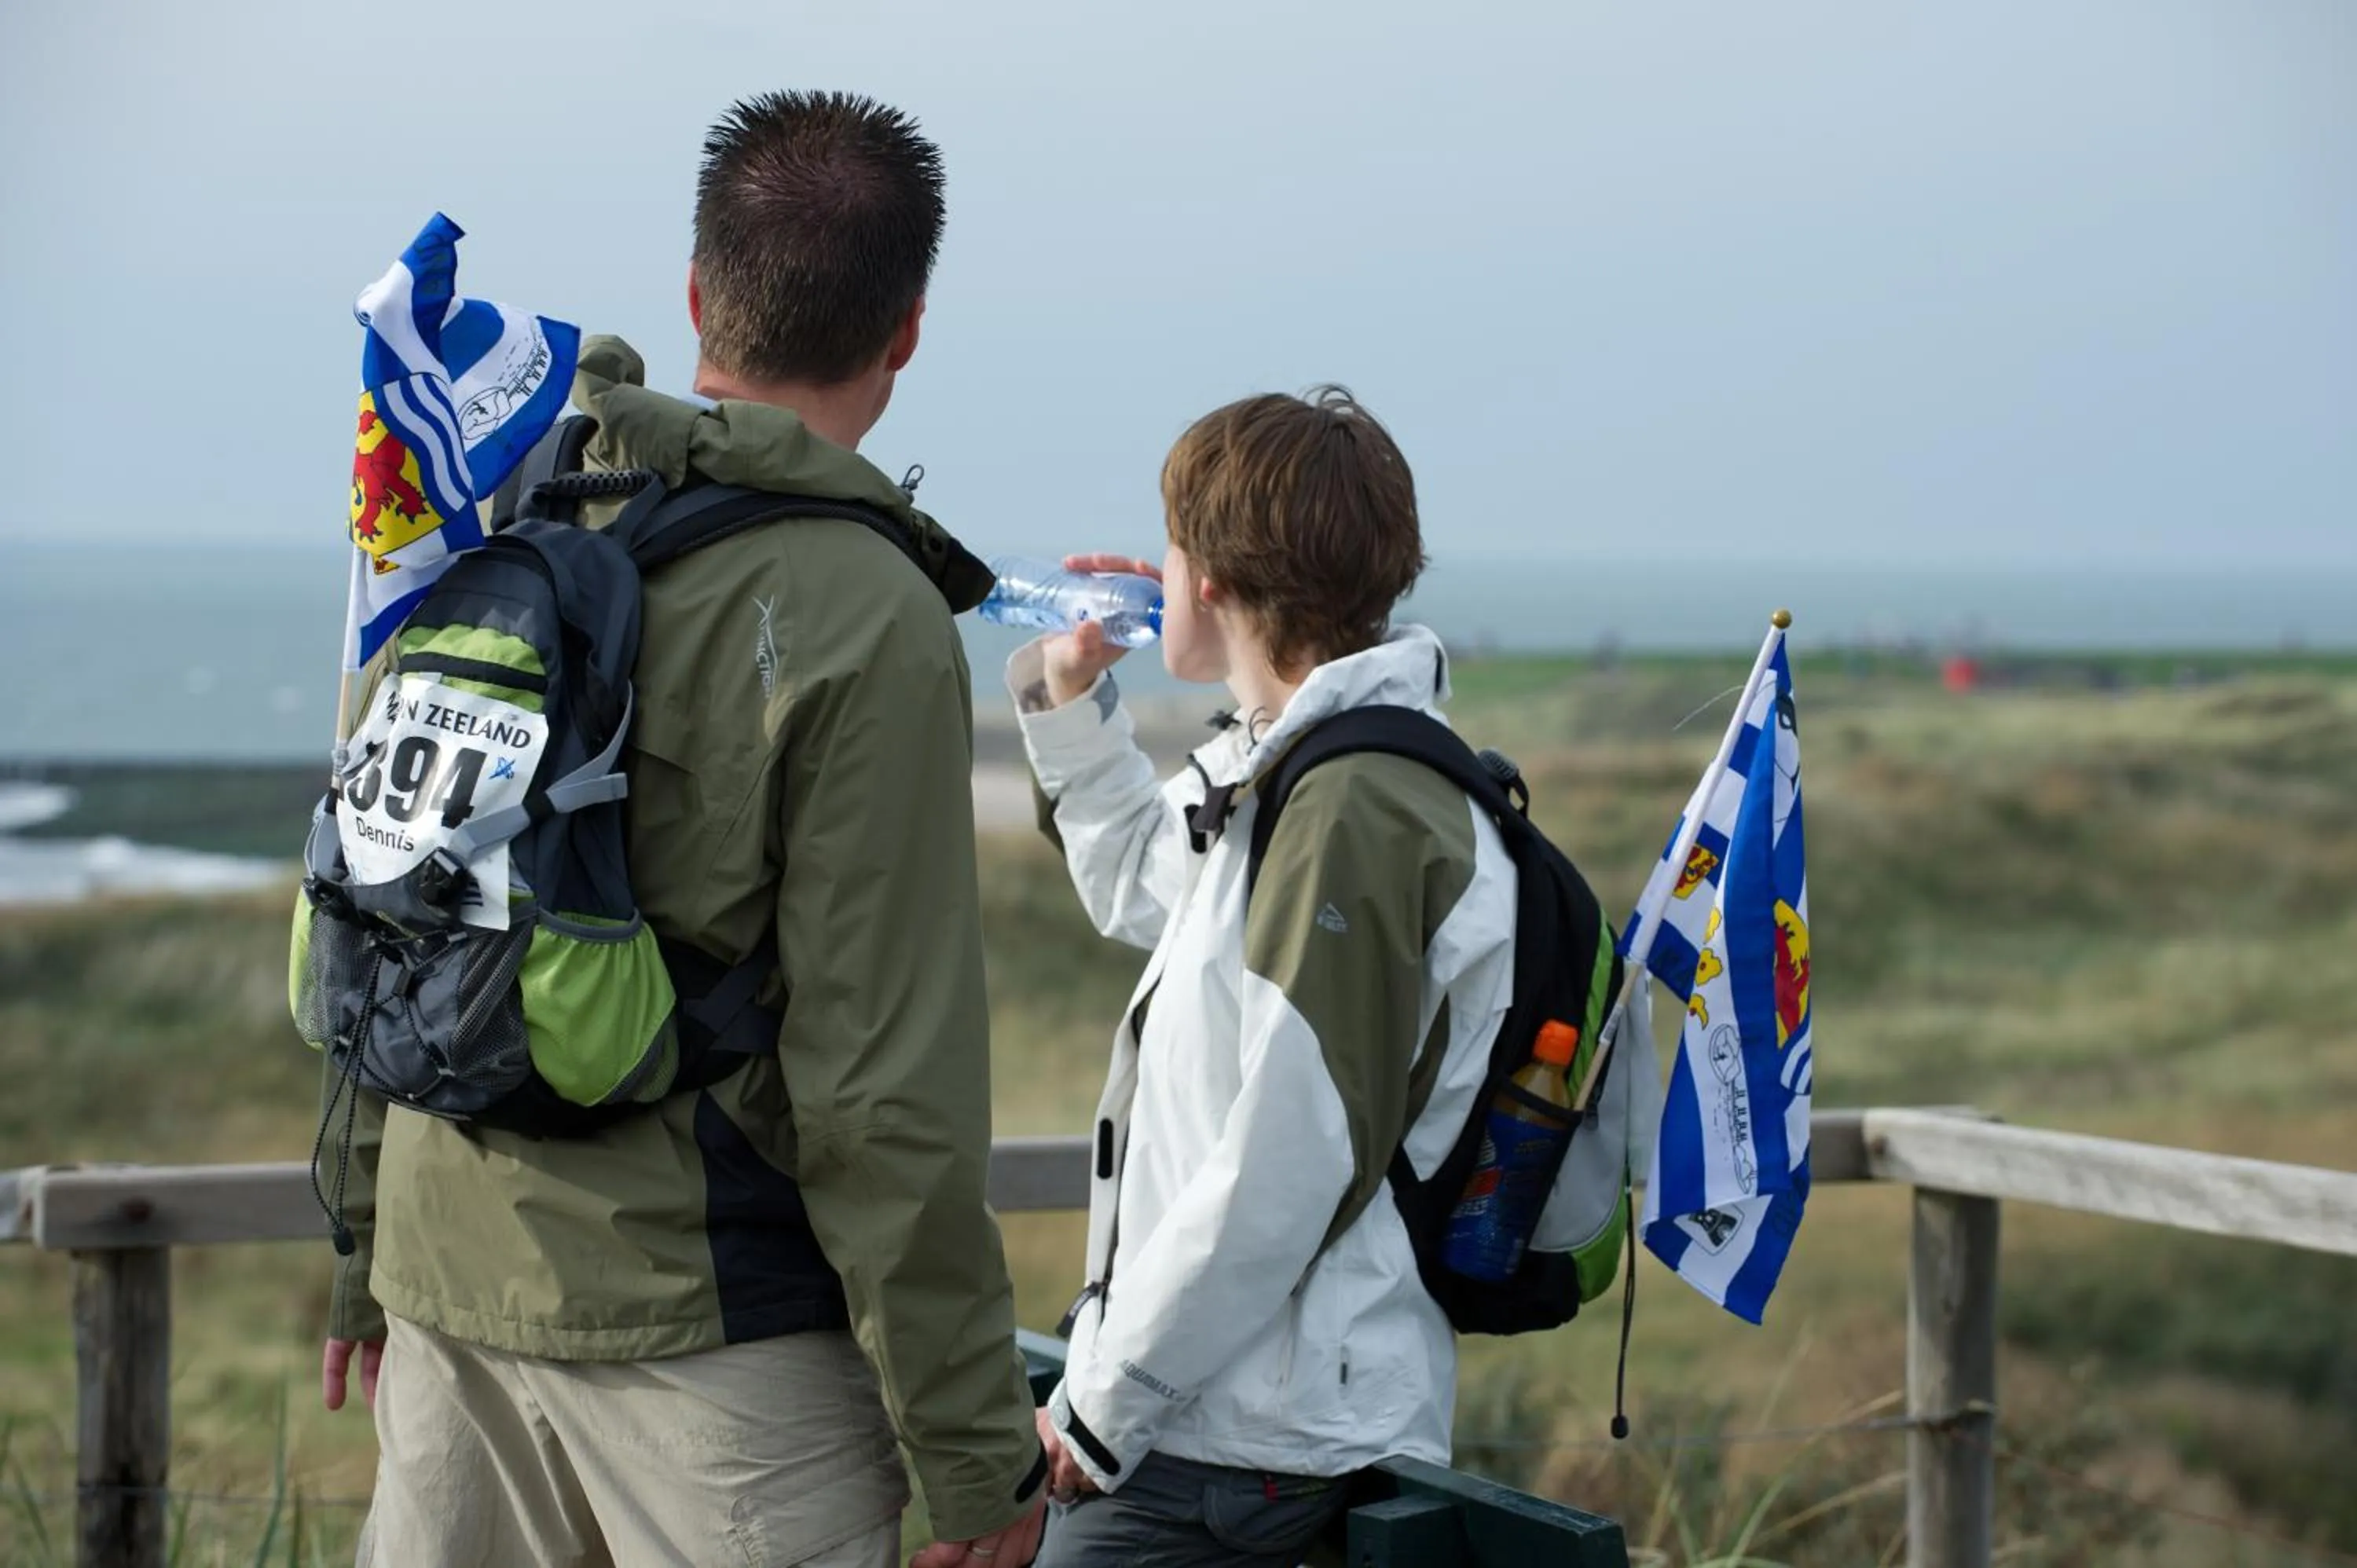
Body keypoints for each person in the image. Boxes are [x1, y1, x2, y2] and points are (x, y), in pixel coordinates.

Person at [321, 91, 1047, 1568]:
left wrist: (360, 1246)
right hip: (716, 1362)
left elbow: (384, 896)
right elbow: (880, 1092)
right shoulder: (866, 613)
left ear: (699, 292)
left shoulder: (503, 504)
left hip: (445, 1286)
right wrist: (975, 1454)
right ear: (906, 330)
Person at [1009, 390, 1520, 1566]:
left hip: (1251, 1447)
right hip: (1237, 1419)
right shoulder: (1296, 766)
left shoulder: (1352, 809)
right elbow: (1141, 882)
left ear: (1215, 582)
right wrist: (1074, 696)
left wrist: (1103, 1408)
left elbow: (1288, 1157)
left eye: (1177, 545)